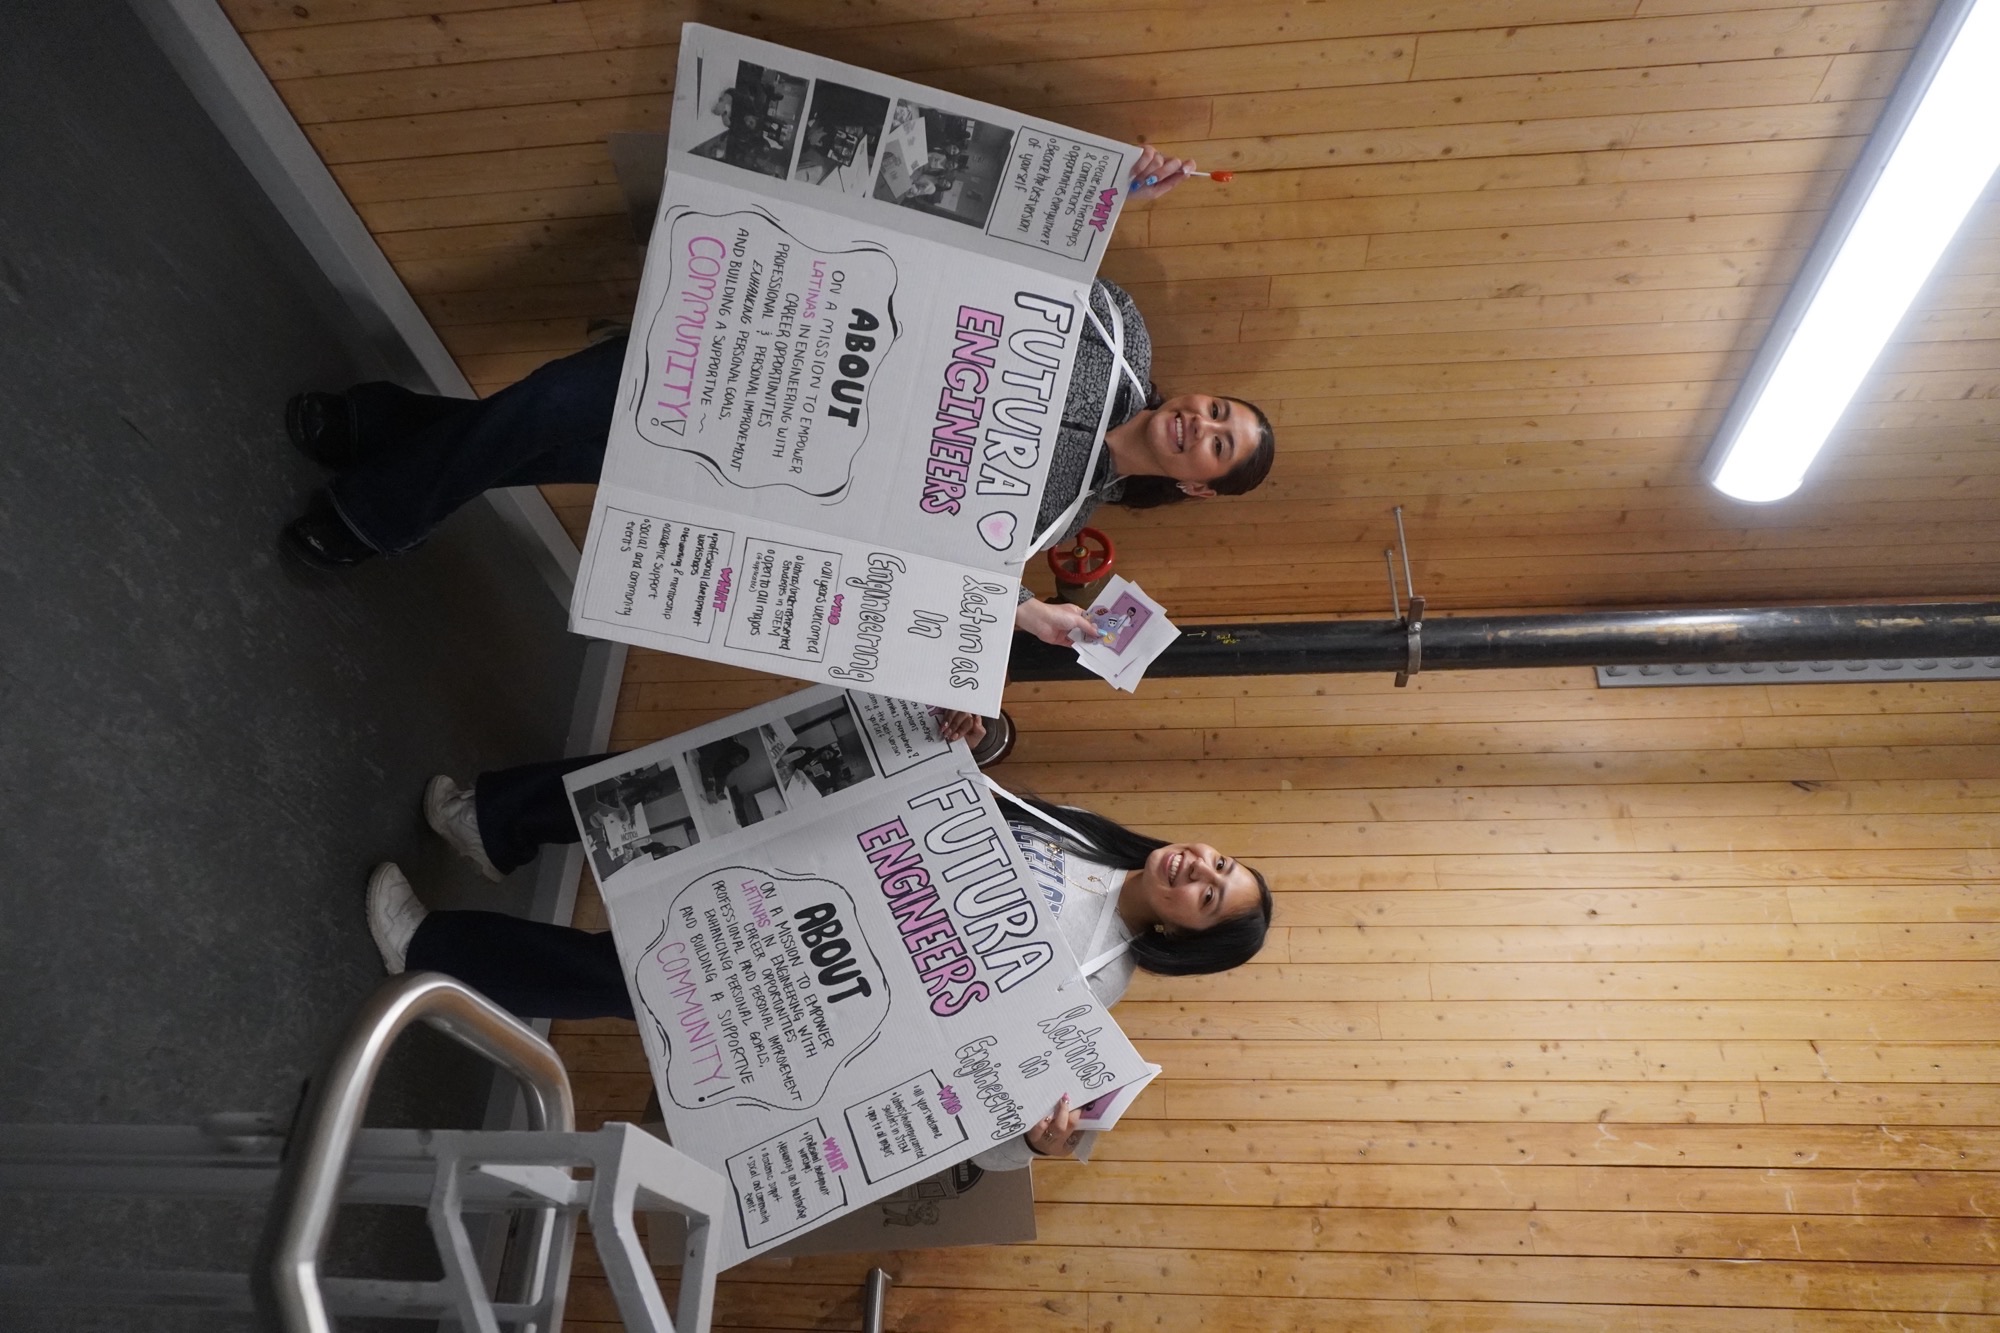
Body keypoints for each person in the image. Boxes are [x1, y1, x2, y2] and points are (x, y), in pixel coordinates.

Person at [279, 148, 1276, 646]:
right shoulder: (1118, 323)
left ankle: (381, 426)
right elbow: (1015, 243)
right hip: (769, 335)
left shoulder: (1058, 515)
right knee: (546, 404)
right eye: (1220, 411)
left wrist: (1025, 621)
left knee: (551, 449)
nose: (1203, 425)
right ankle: (372, 513)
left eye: (1216, 449)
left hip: (769, 454)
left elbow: (940, 569)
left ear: (1194, 486)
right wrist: (1109, 187)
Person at [369, 710, 1272, 1169]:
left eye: (1208, 895)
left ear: (1187, 936)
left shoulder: (1097, 988)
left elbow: (983, 1118)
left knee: (631, 978)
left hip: (816, 967)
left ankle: (432, 954)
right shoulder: (1086, 833)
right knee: (657, 794)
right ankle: (490, 822)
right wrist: (968, 733)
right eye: (1217, 861)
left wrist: (1035, 1142)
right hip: (825, 848)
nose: (1197, 868)